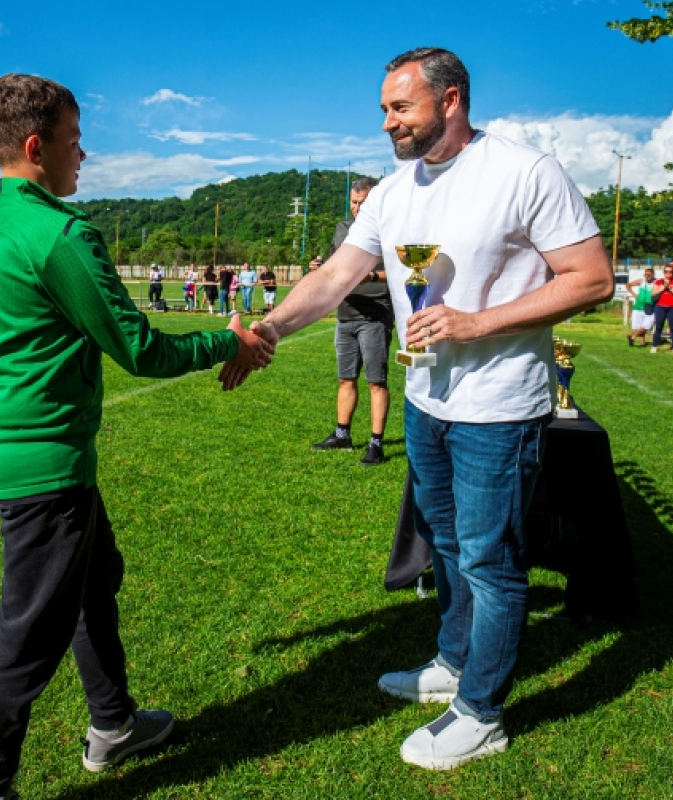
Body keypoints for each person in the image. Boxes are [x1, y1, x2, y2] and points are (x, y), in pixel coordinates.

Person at [242, 47, 613, 769]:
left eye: (400, 107)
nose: (387, 122)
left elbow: (591, 278)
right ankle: (452, 661)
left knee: (489, 558)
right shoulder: (392, 190)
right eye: (383, 108)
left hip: (499, 406)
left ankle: (483, 712)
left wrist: (477, 322)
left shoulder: (524, 171)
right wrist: (270, 330)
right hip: (426, 400)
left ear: (451, 100)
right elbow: (338, 274)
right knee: (444, 545)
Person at [0, 73, 272, 800]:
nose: (84, 155)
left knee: (96, 583)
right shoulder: (61, 235)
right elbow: (139, 348)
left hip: (19, 453)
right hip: (45, 468)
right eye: (74, 140)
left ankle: (115, 724)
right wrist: (226, 342)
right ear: (36, 148)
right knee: (24, 641)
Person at [310, 177, 393, 466]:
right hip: (345, 314)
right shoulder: (343, 229)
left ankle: (375, 443)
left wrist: (369, 276)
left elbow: (400, 271)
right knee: (346, 379)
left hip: (375, 315)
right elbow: (335, 267)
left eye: (364, 203)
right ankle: (342, 434)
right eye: (354, 203)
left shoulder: (390, 229)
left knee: (375, 381)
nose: (358, 208)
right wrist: (320, 268)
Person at [626, 267, 656, 346]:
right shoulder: (641, 281)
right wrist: (633, 294)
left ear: (653, 274)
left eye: (649, 274)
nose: (647, 276)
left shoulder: (656, 282)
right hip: (639, 306)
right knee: (639, 326)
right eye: (646, 274)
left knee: (646, 326)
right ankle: (642, 343)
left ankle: (632, 337)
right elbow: (628, 285)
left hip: (650, 306)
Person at [650, 262, 673, 353]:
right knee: (658, 326)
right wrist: (662, 288)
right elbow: (652, 293)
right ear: (663, 272)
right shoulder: (659, 281)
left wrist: (671, 290)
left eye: (670, 272)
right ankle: (654, 345)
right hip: (660, 307)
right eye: (666, 272)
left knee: (672, 327)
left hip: (671, 307)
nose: (668, 274)